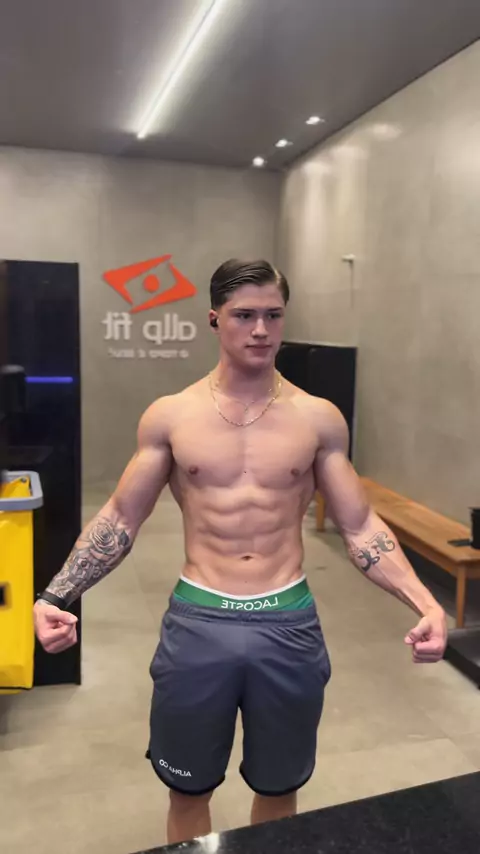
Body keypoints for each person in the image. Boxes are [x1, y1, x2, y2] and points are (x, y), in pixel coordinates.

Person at [34, 259, 447, 845]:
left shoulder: (318, 418)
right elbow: (121, 517)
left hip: (288, 621)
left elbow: (359, 526)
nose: (260, 329)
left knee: (279, 787)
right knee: (188, 789)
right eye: (244, 315)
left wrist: (425, 602)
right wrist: (56, 594)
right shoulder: (172, 415)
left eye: (273, 315)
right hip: (199, 620)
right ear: (214, 319)